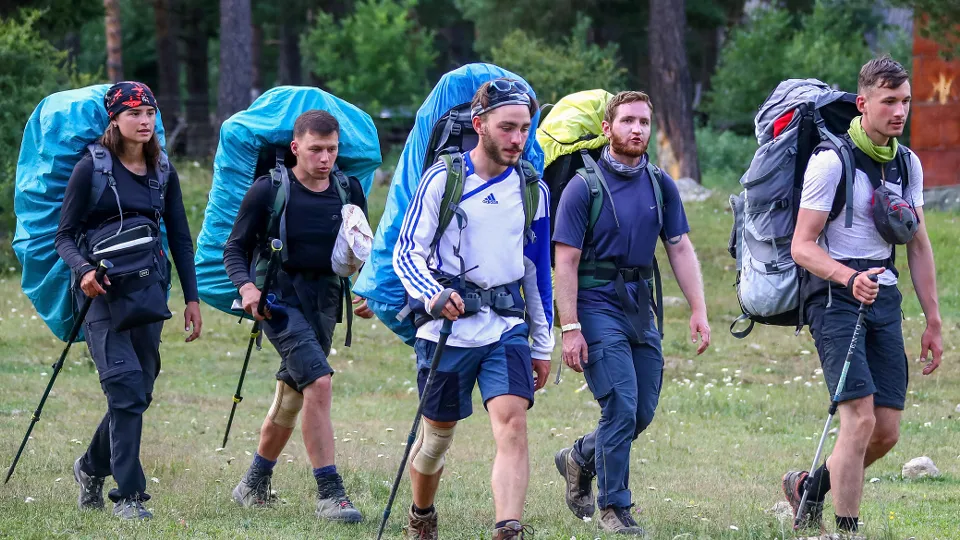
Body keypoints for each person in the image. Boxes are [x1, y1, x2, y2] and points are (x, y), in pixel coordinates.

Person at [783, 56, 943, 536]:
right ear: (862, 103)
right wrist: (847, 277)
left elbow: (918, 244)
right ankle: (847, 529)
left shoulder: (907, 163)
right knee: (859, 420)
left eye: (905, 101)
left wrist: (933, 320)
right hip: (835, 299)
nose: (900, 111)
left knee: (886, 431)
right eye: (889, 101)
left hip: (884, 299)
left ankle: (810, 486)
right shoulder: (830, 162)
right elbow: (801, 245)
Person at [393, 79, 554, 539]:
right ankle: (422, 513)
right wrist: (434, 294)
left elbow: (536, 271)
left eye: (524, 129)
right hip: (445, 330)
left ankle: (508, 528)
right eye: (507, 128)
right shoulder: (443, 179)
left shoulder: (533, 190)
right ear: (479, 124)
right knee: (437, 438)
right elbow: (407, 253)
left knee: (513, 423)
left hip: (505, 327)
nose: (517, 139)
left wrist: (542, 344)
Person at [552, 91, 710, 535]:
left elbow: (679, 247)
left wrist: (698, 309)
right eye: (627, 121)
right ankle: (614, 508)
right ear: (607, 128)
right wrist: (570, 327)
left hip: (640, 306)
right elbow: (565, 261)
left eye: (643, 122)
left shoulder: (661, 184)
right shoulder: (582, 187)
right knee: (620, 405)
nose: (637, 129)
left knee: (641, 412)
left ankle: (579, 457)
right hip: (595, 304)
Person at [55, 81, 203, 520]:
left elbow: (180, 238)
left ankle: (89, 467)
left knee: (139, 391)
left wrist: (192, 298)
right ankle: (131, 496)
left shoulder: (162, 170)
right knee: (124, 385)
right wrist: (83, 271)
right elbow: (64, 236)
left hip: (148, 290)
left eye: (150, 113)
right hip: (100, 294)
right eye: (134, 113)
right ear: (114, 120)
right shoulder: (91, 168)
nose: (144, 121)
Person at [224, 110, 371, 523]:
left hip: (325, 299)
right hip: (278, 300)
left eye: (332, 150)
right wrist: (247, 288)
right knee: (319, 382)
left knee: (293, 393)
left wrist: (367, 285)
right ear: (295, 148)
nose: (325, 158)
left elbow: (360, 243)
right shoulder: (269, 189)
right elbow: (234, 248)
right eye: (315, 149)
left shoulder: (348, 188)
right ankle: (330, 494)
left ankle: (253, 483)